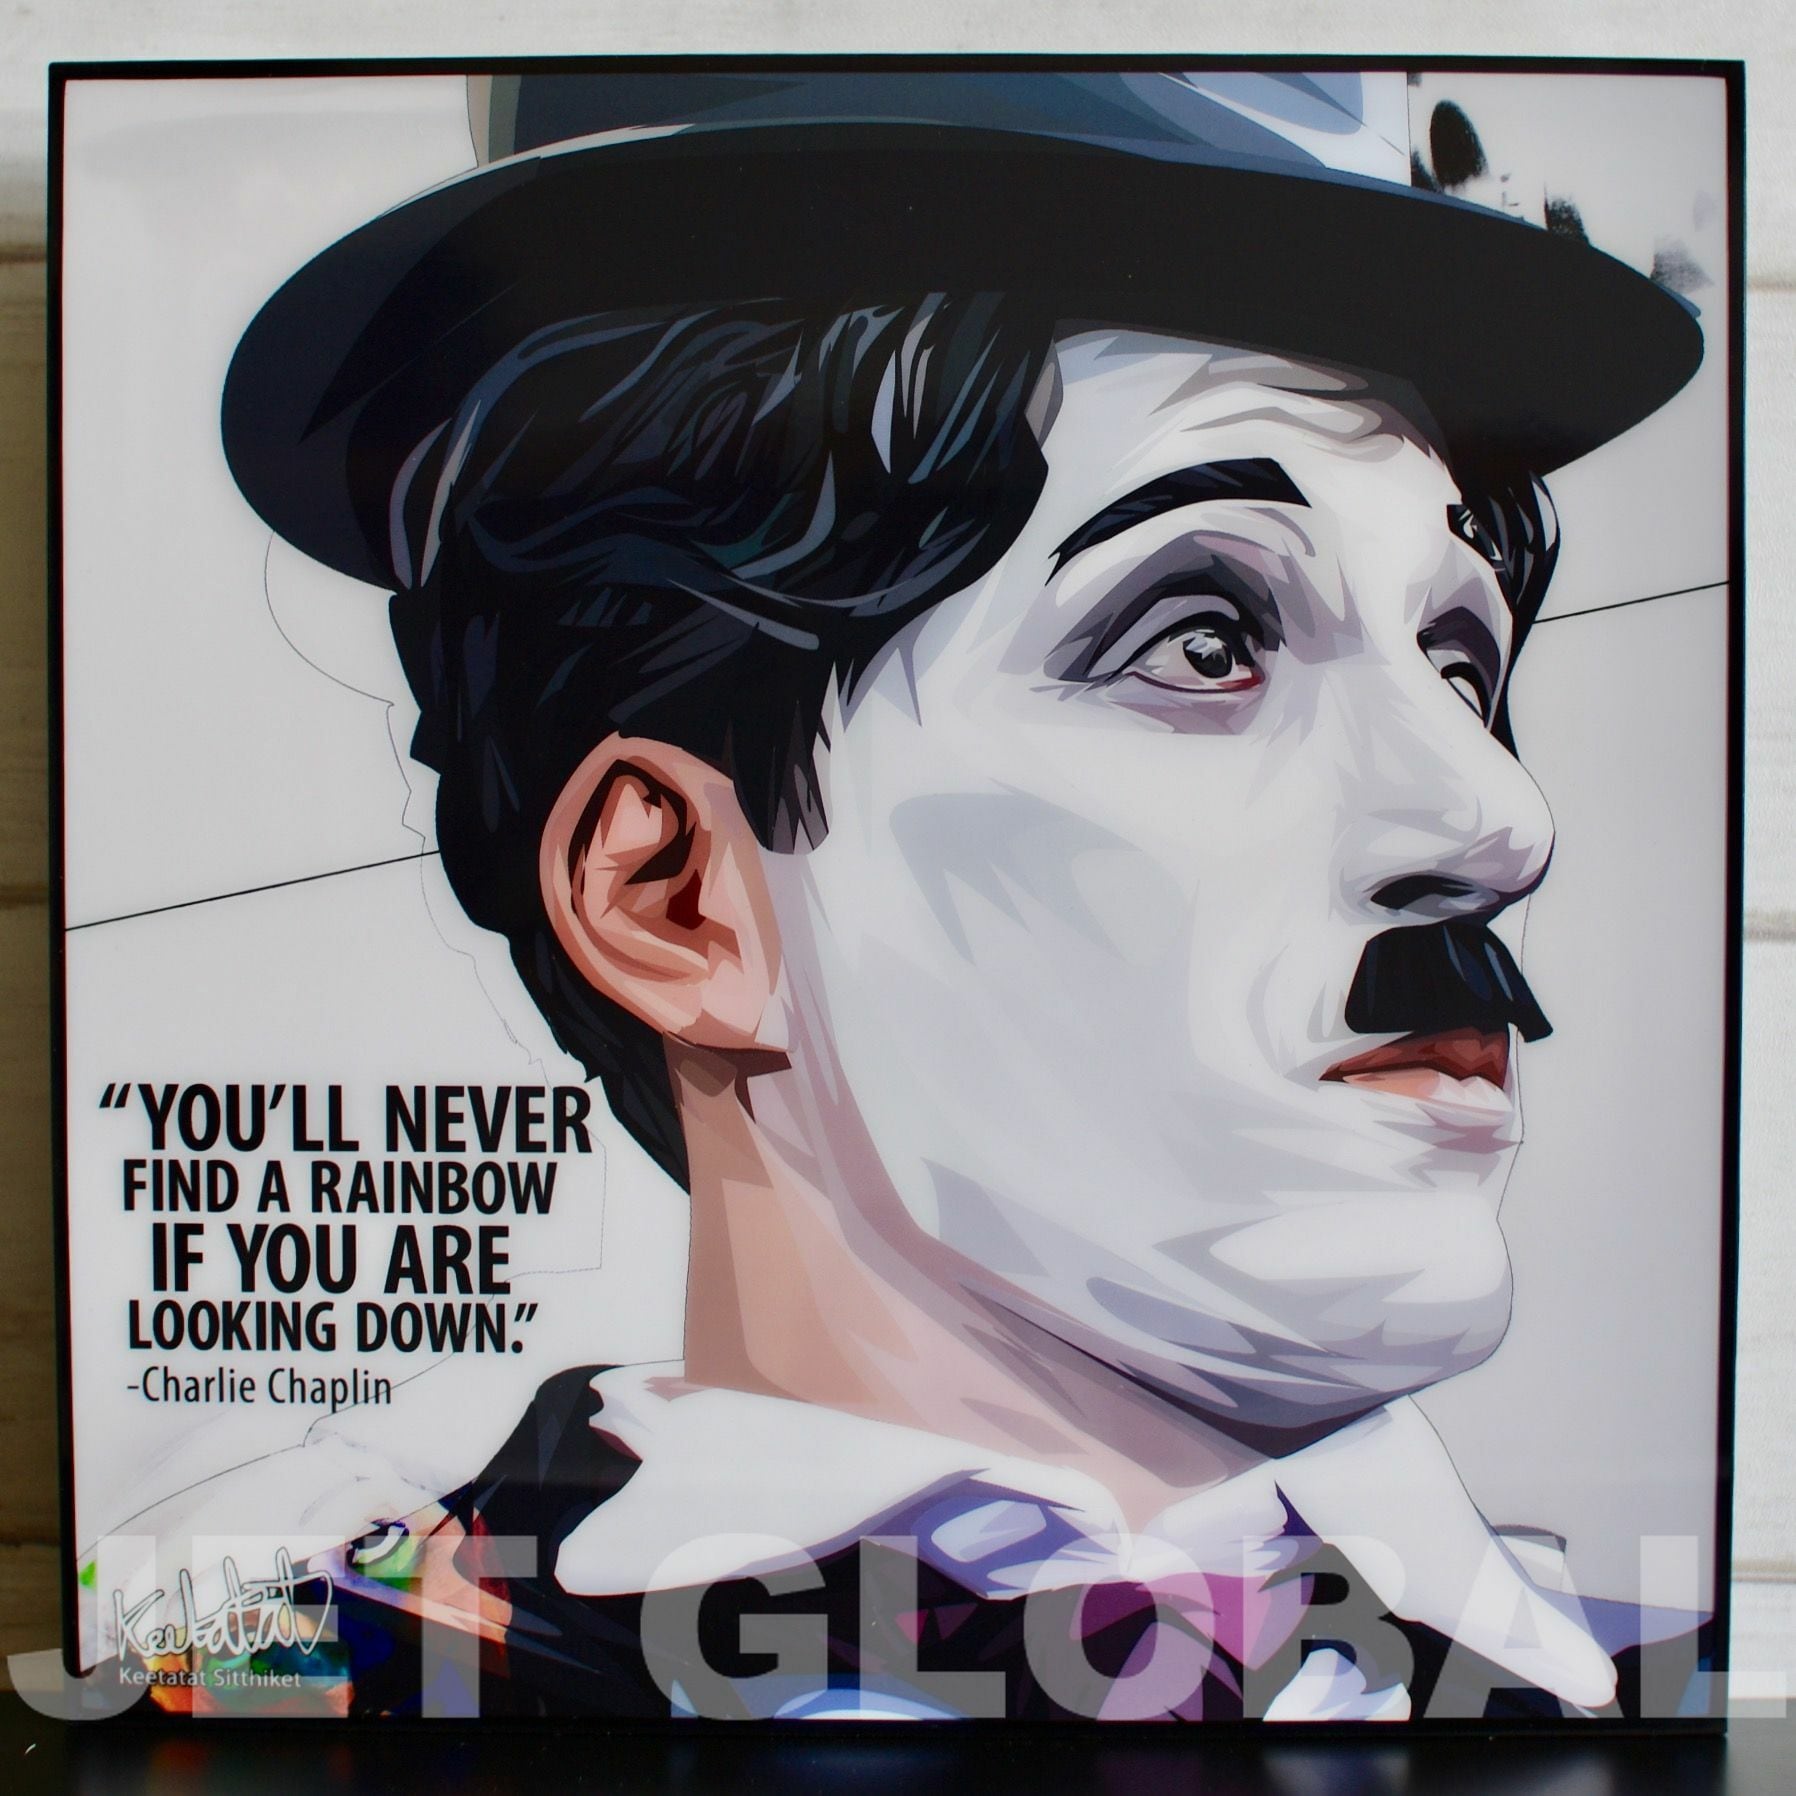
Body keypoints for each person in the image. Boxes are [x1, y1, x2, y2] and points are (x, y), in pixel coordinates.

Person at [216, 69, 1710, 1721]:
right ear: (674, 898)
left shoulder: (1651, 1698)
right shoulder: (339, 1689)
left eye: (1460, 663)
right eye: (1205, 642)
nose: (1500, 818)